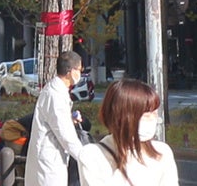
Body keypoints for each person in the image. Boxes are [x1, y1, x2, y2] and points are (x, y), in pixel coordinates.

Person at [76, 79, 175, 186]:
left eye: (155, 114)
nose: (153, 119)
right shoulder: (92, 155)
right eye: (147, 115)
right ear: (122, 117)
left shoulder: (162, 151)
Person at [24, 51, 89, 186]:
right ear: (71, 71)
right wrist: (86, 158)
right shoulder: (55, 95)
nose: (80, 73)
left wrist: (69, 120)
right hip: (49, 162)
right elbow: (66, 136)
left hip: (48, 158)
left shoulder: (54, 90)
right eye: (79, 69)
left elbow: (57, 122)